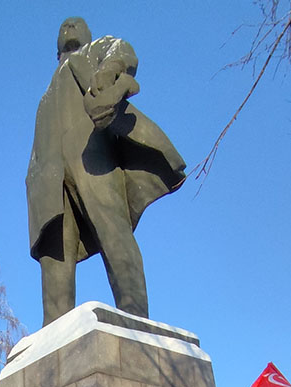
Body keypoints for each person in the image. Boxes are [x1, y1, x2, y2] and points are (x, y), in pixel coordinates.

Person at [26, 16, 186, 325]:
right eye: (63, 27)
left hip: (92, 155)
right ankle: (54, 333)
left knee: (113, 230)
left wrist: (108, 75)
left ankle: (136, 315)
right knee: (54, 258)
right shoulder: (45, 97)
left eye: (75, 25)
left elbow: (122, 51)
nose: (68, 27)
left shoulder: (94, 52)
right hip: (49, 180)